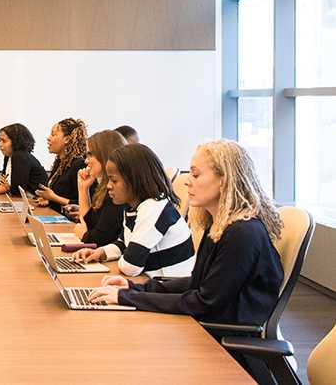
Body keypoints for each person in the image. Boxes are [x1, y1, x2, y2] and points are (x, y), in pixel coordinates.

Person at [87, 140, 283, 329]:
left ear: (224, 180)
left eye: (196, 175)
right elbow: (198, 283)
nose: (188, 181)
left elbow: (203, 302)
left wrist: (127, 297)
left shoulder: (242, 234)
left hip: (221, 344)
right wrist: (133, 289)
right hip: (204, 327)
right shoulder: (220, 225)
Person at [74, 142, 195, 278]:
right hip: (153, 282)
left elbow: (131, 266)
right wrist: (101, 252)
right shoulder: (134, 207)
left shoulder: (153, 208)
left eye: (114, 181)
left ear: (135, 180)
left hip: (171, 287)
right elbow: (123, 243)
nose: (108, 186)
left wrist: (125, 258)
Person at [75, 129, 127, 245]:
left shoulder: (118, 191)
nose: (86, 161)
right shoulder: (103, 186)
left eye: (90, 155)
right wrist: (83, 189)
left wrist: (84, 235)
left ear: (104, 155)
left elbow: (100, 239)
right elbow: (88, 224)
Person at [35, 118, 88, 213]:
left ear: (67, 139)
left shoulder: (79, 164)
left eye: (53, 134)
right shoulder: (60, 162)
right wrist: (48, 200)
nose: (48, 138)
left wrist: (53, 198)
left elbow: (82, 204)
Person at [0, 123, 48, 196]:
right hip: (23, 199)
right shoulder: (8, 156)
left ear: (16, 141)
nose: (0, 144)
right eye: (0, 140)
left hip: (34, 200)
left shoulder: (20, 156)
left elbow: (17, 191)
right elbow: (3, 184)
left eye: (4, 141)